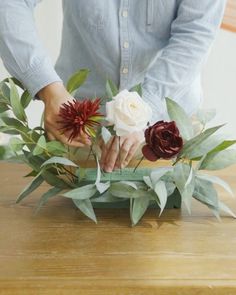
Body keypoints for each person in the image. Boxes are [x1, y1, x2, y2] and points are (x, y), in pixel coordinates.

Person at [0, 0, 226, 172]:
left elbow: (196, 31)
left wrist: (143, 111)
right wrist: (49, 89)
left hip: (168, 135)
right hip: (79, 133)